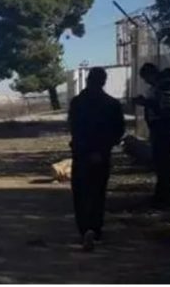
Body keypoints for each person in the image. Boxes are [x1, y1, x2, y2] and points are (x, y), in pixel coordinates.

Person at [68, 67, 126, 252]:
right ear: (103, 82)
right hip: (101, 155)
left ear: (88, 80)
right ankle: (95, 228)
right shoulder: (112, 104)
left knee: (81, 193)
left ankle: (84, 228)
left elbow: (74, 127)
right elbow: (119, 130)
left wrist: (83, 147)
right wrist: (103, 147)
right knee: (98, 192)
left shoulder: (77, 103)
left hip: (81, 154)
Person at [133, 63, 170, 210]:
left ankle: (164, 198)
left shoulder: (165, 85)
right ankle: (160, 195)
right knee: (160, 163)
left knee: (163, 163)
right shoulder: (160, 85)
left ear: (151, 74)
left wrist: (145, 103)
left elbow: (164, 108)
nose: (147, 82)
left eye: (146, 78)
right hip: (158, 127)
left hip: (163, 128)